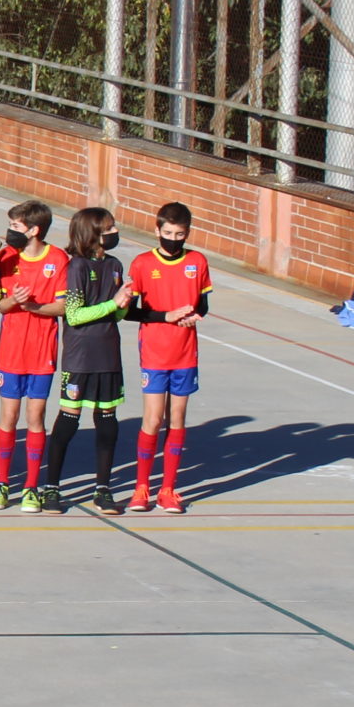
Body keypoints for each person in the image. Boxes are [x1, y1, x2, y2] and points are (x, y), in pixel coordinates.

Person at [124, 200, 210, 514]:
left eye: (180, 234)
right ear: (157, 229)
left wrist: (193, 317)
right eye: (168, 232)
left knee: (177, 419)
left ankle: (169, 489)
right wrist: (166, 316)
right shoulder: (143, 264)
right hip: (155, 353)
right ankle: (141, 487)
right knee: (153, 419)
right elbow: (131, 311)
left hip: (185, 353)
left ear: (187, 233)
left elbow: (202, 305)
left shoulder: (198, 262)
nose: (173, 239)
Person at [0, 199, 69, 511]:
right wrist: (14, 301)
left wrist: (33, 306)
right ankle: (1, 483)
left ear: (34, 230)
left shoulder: (59, 259)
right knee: (8, 416)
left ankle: (31, 487)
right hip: (11, 351)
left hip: (41, 352)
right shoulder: (7, 257)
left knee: (35, 417)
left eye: (16, 227)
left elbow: (62, 307)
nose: (10, 233)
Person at [47, 206, 127, 514]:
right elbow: (75, 315)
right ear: (91, 232)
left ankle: (103, 488)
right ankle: (51, 487)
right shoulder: (77, 267)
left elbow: (118, 314)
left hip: (109, 354)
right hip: (80, 356)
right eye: (108, 227)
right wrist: (112, 304)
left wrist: (124, 301)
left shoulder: (116, 264)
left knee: (107, 422)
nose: (113, 232)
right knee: (69, 419)